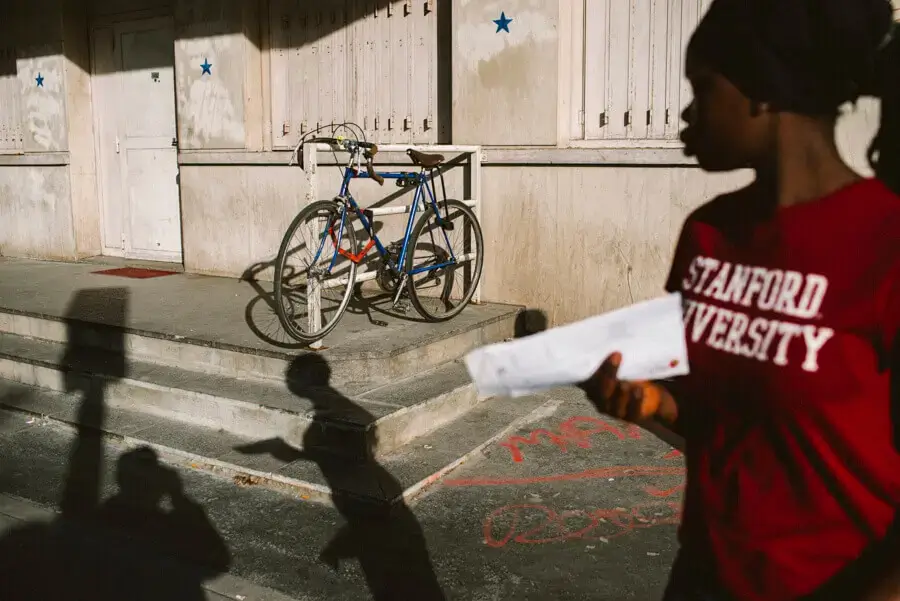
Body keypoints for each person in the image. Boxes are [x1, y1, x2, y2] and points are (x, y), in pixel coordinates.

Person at [580, 1, 900, 600]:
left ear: (762, 91)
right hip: (705, 574)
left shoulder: (885, 245)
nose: (686, 114)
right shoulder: (707, 234)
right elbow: (707, 412)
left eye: (702, 88)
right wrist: (649, 400)